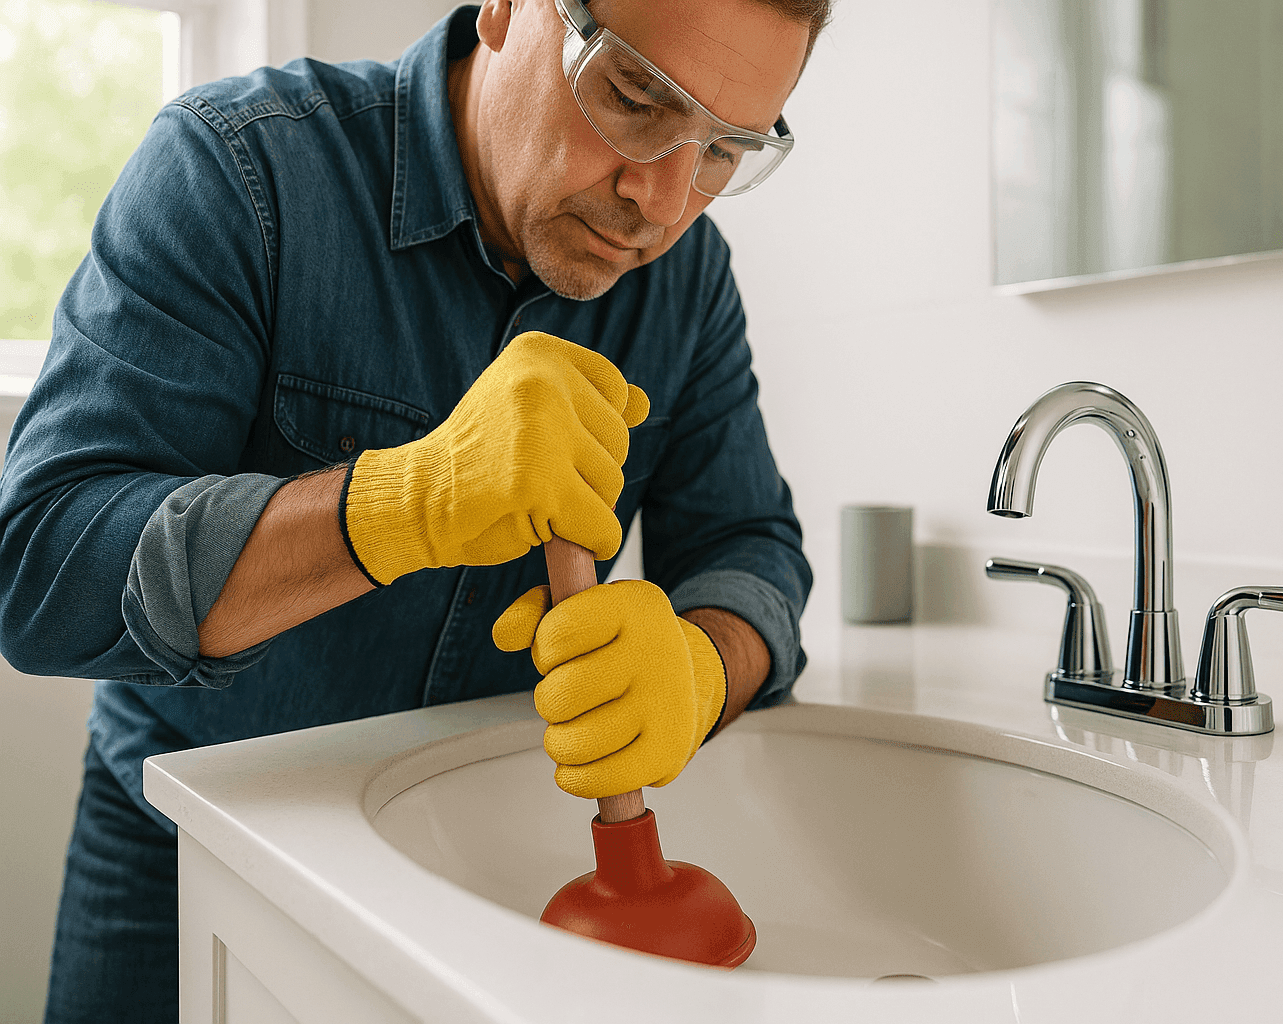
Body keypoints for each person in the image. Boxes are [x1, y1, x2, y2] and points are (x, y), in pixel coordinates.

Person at [0, 0, 825, 1018]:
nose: (662, 202)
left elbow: (752, 549)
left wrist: (702, 667)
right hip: (184, 854)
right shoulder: (237, 172)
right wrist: (396, 506)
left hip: (475, 875)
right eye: (635, 98)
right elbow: (39, 572)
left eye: (723, 150)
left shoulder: (687, 284)